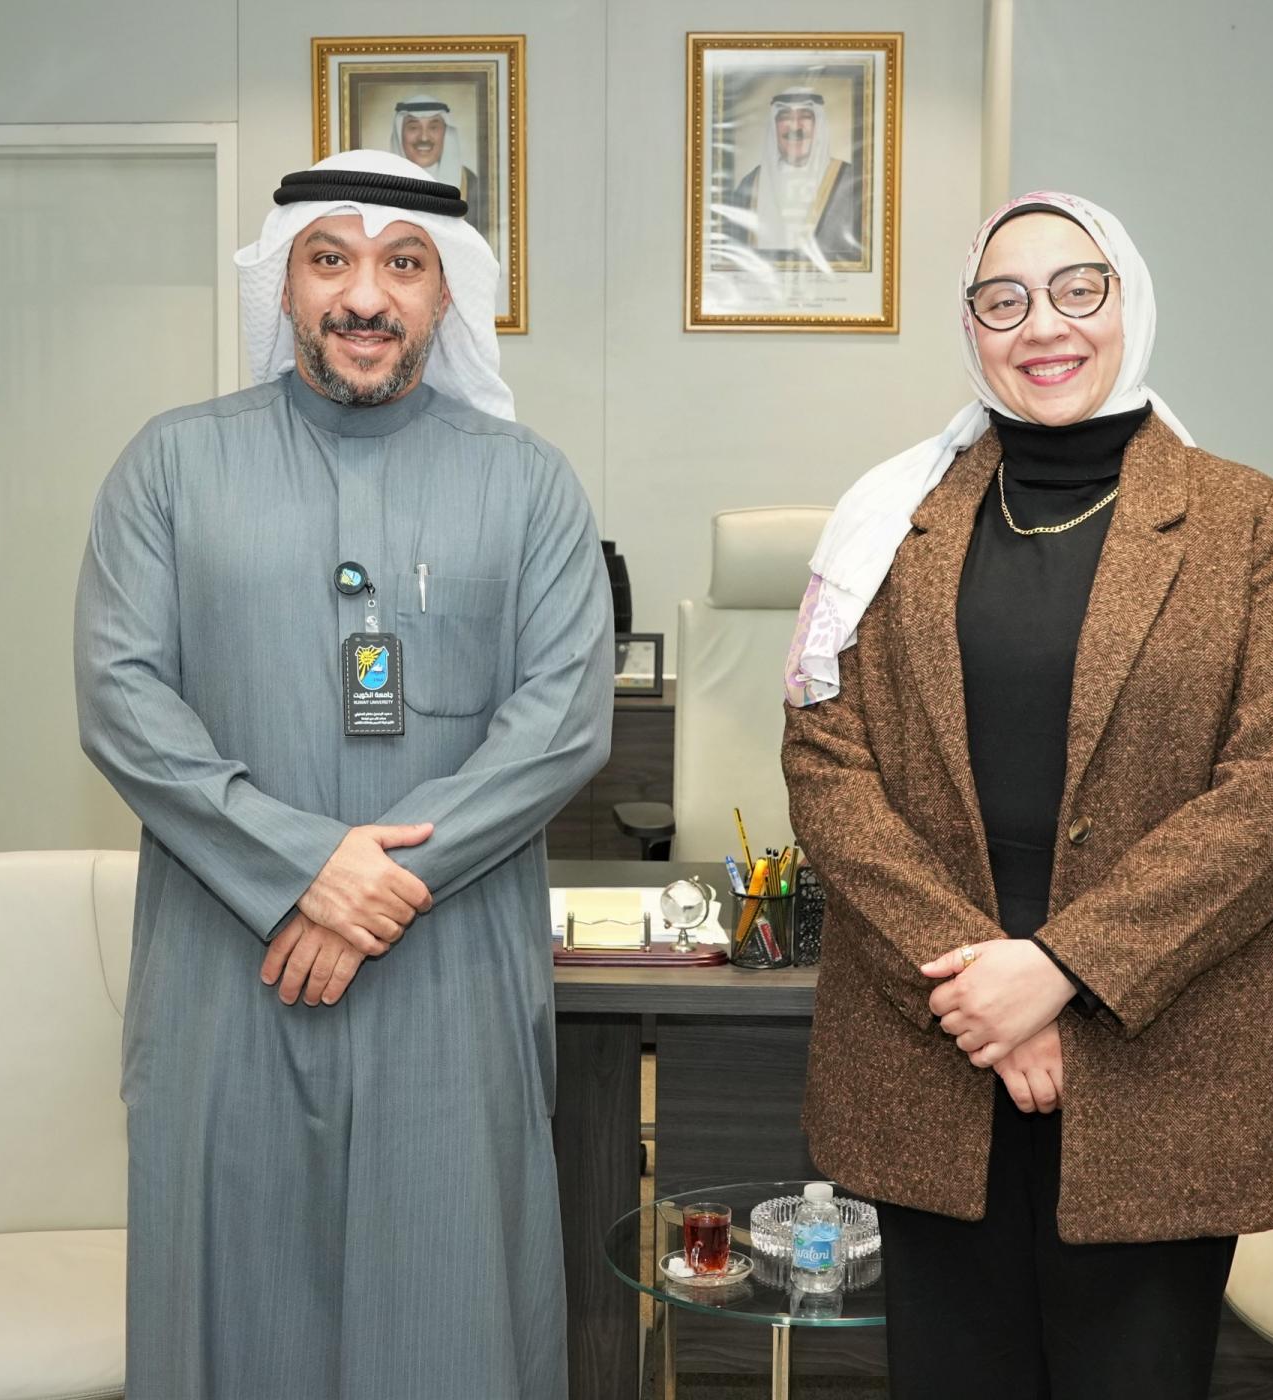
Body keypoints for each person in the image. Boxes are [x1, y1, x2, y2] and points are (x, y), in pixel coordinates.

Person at [781, 190, 1273, 1398]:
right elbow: (827, 768)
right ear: (971, 327)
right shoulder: (889, 522)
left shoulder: (1250, 522)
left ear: (1129, 302)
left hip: (1164, 1069)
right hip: (937, 1052)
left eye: (1077, 289)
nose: (1044, 325)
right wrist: (980, 984)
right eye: (1005, 299)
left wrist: (1062, 968)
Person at [72, 148, 614, 1400]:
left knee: (451, 1310)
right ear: (285, 283)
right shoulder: (170, 466)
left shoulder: (528, 482)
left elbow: (563, 720)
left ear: (445, 292)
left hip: (449, 973)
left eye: (402, 264)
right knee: (232, 1307)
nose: (365, 295)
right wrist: (305, 864)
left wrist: (372, 882)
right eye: (331, 260)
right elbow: (120, 697)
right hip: (229, 967)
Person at [728, 87, 863, 264]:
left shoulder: (852, 181)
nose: (794, 126)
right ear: (774, 127)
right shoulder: (750, 183)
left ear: (819, 125)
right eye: (784, 117)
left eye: (805, 116)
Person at [393, 95, 487, 238]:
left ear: (446, 133)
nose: (424, 137)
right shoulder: (380, 183)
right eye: (413, 128)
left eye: (433, 127)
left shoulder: (470, 183)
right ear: (400, 134)